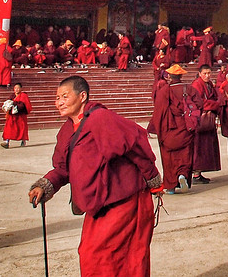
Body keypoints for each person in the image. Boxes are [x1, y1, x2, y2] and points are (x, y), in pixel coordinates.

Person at [27, 76, 161, 277]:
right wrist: (46, 185)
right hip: (99, 203)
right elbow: (64, 168)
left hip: (122, 199)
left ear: (83, 96)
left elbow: (134, 146)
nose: (60, 102)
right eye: (57, 98)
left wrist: (153, 181)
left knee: (111, 256)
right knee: (91, 254)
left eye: (65, 96)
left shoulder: (100, 118)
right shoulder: (67, 129)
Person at [151, 63, 194, 194]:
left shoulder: (164, 91)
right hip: (185, 127)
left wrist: (157, 130)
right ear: (181, 76)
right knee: (185, 154)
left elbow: (158, 112)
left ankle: (170, 186)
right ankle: (182, 175)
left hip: (168, 129)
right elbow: (199, 104)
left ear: (169, 76)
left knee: (169, 157)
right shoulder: (189, 89)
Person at [190, 64, 222, 184]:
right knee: (199, 147)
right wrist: (216, 105)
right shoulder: (197, 84)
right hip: (200, 119)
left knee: (206, 147)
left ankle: (199, 172)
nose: (207, 76)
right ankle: (196, 173)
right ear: (200, 74)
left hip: (208, 119)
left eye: (209, 73)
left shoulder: (208, 85)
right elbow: (200, 102)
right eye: (205, 73)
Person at [1, 82, 31, 148]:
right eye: (15, 88)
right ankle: (7, 142)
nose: (16, 89)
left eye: (18, 88)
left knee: (21, 129)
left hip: (20, 115)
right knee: (9, 128)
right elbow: (8, 103)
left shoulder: (23, 96)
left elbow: (24, 105)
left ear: (21, 89)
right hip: (12, 116)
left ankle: (23, 140)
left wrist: (15, 104)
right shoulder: (12, 96)